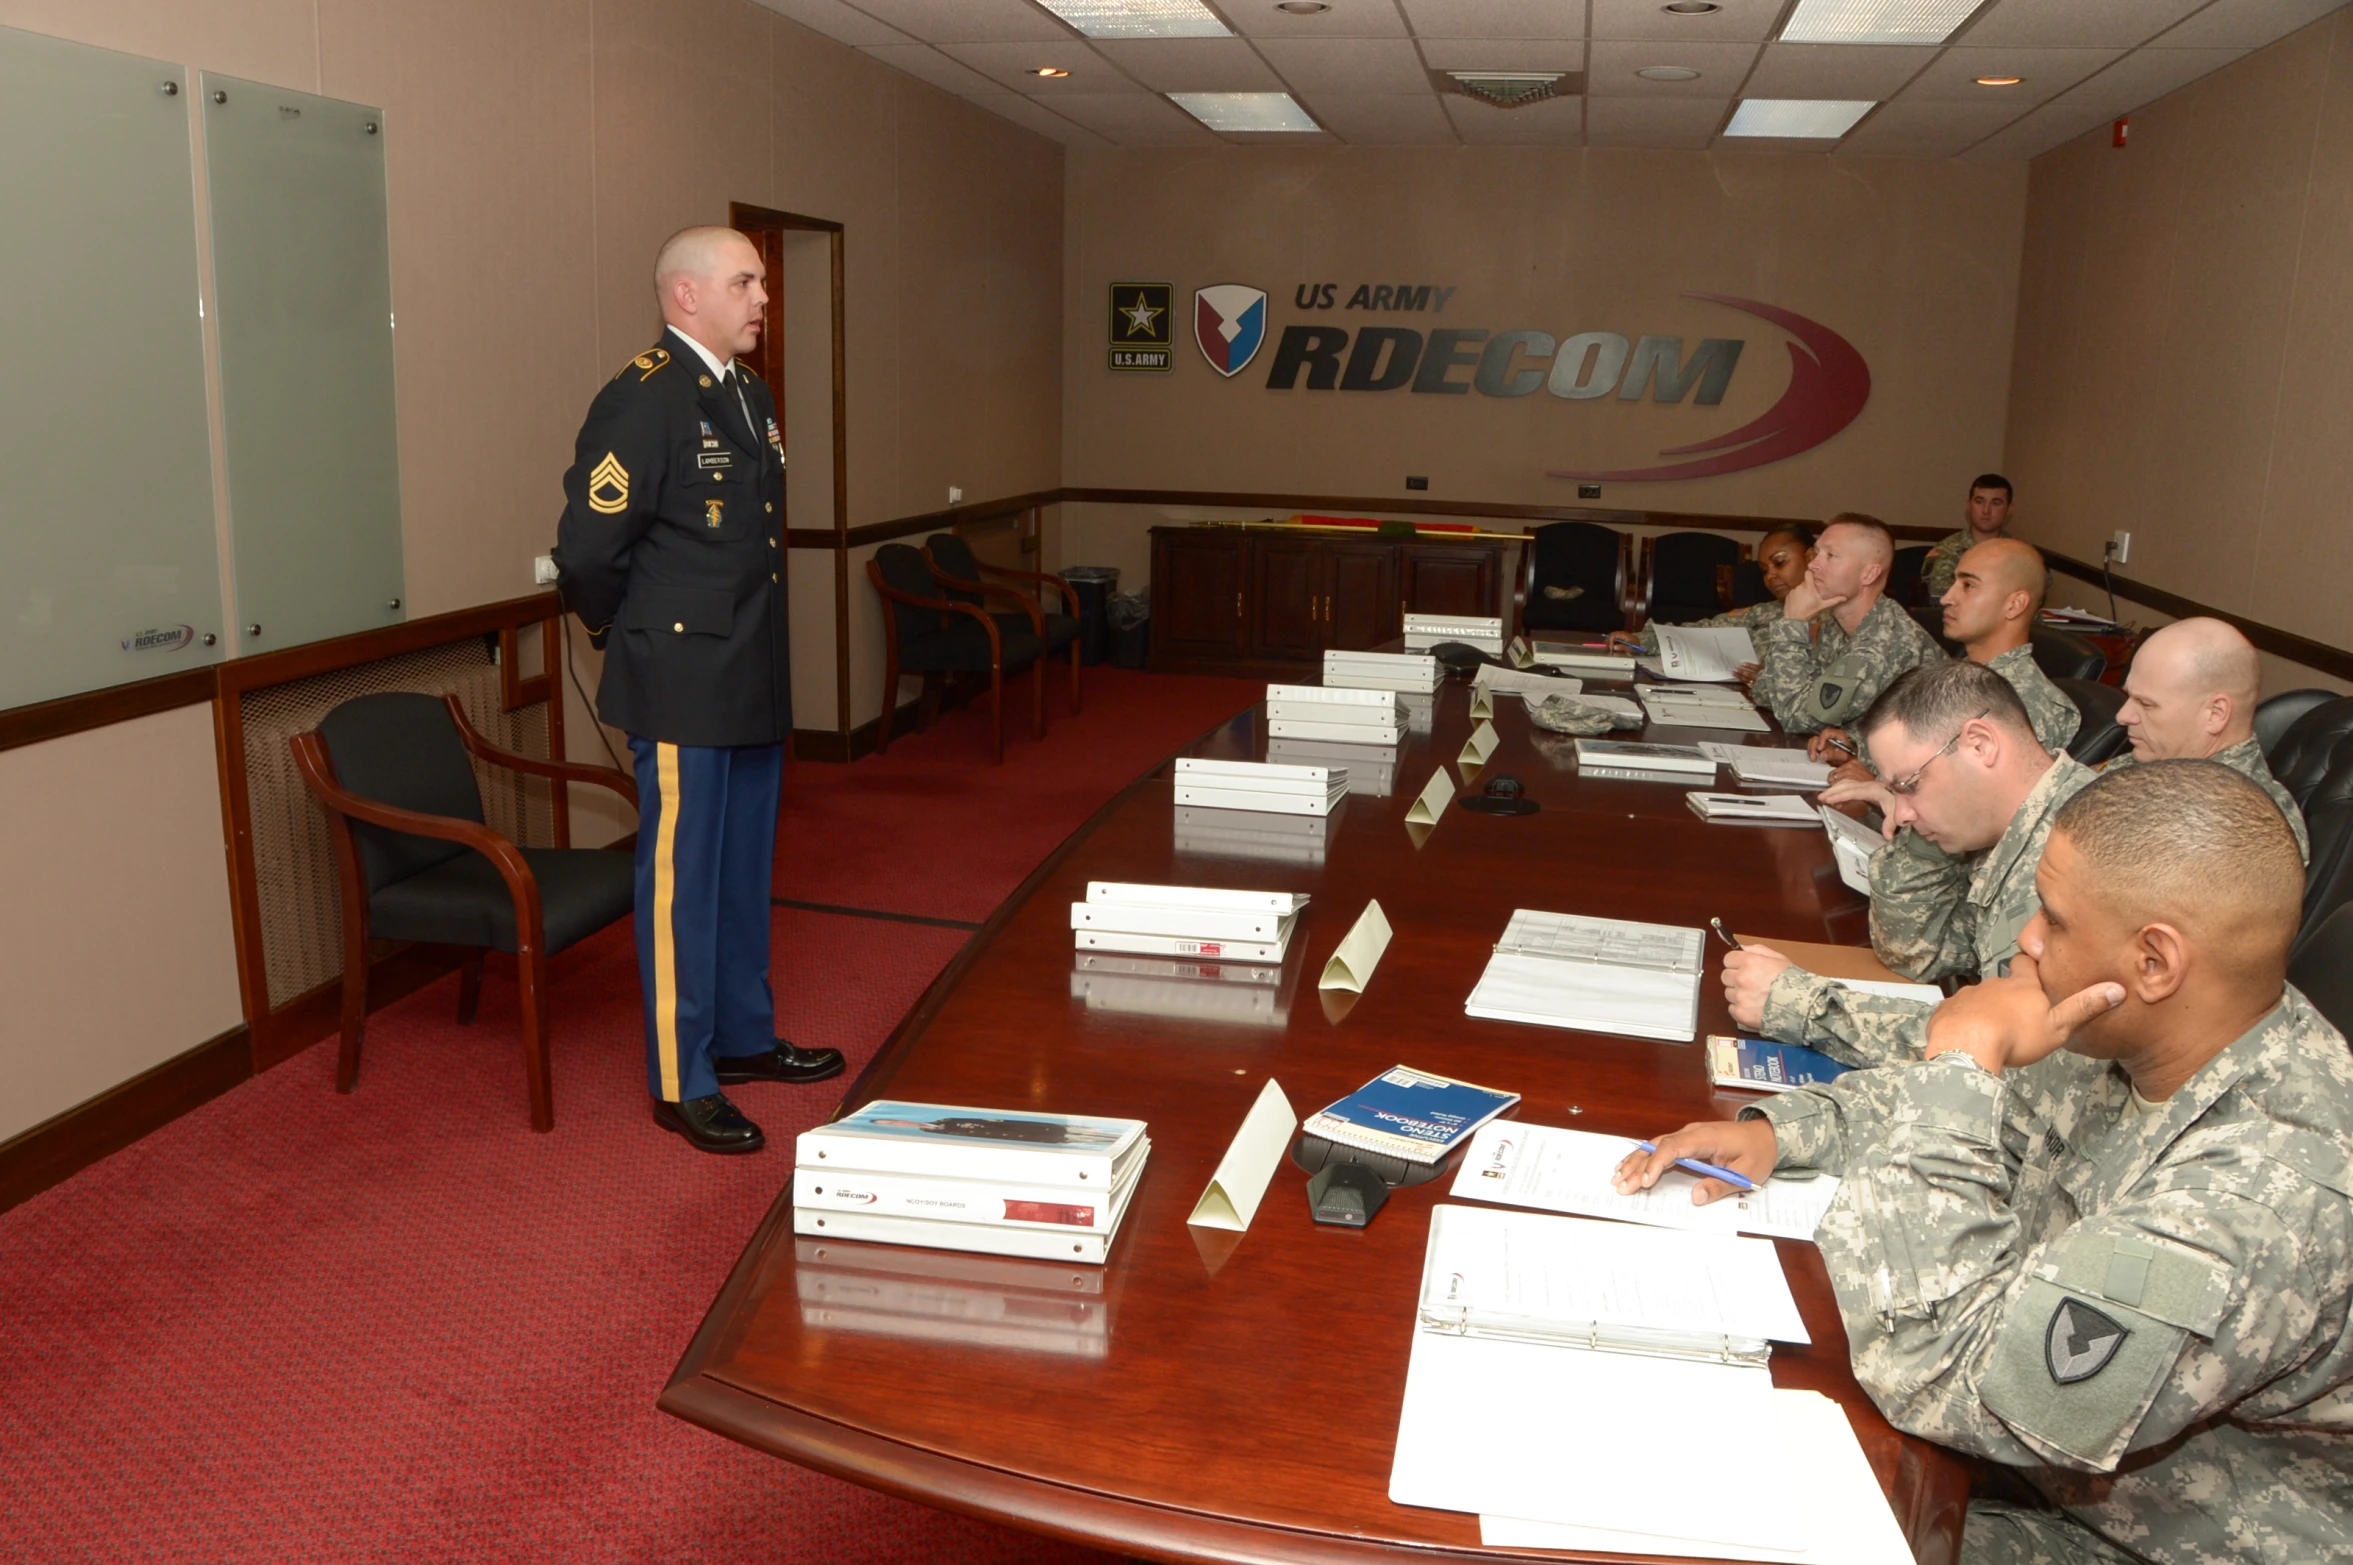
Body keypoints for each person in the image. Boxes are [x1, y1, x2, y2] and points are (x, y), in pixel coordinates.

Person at [1618, 761, 2353, 1565]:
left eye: (2056, 921)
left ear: (2154, 961)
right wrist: (1788, 1132)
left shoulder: (2261, 1196)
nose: (2027, 939)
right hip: (2025, 1469)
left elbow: (1940, 1376)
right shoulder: (2146, 1028)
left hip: (2146, 1536)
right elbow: (2002, 1124)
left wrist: (1962, 1062)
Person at [552, 225, 843, 1156]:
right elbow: (589, 554)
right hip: (681, 683)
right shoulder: (642, 400)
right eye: (745, 281)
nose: (763, 297)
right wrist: (622, 639)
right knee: (679, 885)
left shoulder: (748, 391)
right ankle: (683, 1080)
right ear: (686, 295)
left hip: (749, 677)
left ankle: (744, 1038)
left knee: (741, 871)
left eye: (761, 280)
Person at [1727, 660, 2096, 1059]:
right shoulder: (1998, 829)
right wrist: (1921, 826)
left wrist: (1806, 1006)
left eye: (1910, 784)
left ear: (1980, 745)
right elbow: (1916, 953)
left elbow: (2018, 1062)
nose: (1900, 813)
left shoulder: (2081, 855)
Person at [1809, 537, 2079, 768]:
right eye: (1953, 583)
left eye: (1969, 586)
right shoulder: (1958, 674)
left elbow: (1984, 812)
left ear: (2014, 605)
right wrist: (1856, 751)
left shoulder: (2025, 703)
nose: (1947, 597)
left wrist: (1882, 787)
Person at [2109, 616, 2308, 860]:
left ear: (2215, 713)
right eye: (2129, 697)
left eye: (2146, 704)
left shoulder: (2238, 829)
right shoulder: (2167, 762)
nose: (2123, 715)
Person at [1751, 514, 1943, 736]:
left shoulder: (1886, 641)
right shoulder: (1833, 621)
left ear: (1869, 574)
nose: (1813, 565)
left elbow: (1797, 718)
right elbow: (1765, 689)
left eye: (1831, 556)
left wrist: (1793, 625)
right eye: (1817, 553)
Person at [1608, 524, 1815, 683]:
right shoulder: (1766, 611)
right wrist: (1642, 641)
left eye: (1779, 563)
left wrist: (1770, 680)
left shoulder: (1838, 619)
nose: (1770, 576)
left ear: (1812, 557)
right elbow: (1704, 631)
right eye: (1764, 570)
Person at [1920, 472, 2014, 599]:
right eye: (1979, 502)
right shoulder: (1946, 552)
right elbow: (1942, 602)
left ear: (2009, 509)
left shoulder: (2019, 553)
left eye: (1996, 503)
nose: (1986, 510)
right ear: (1969, 506)